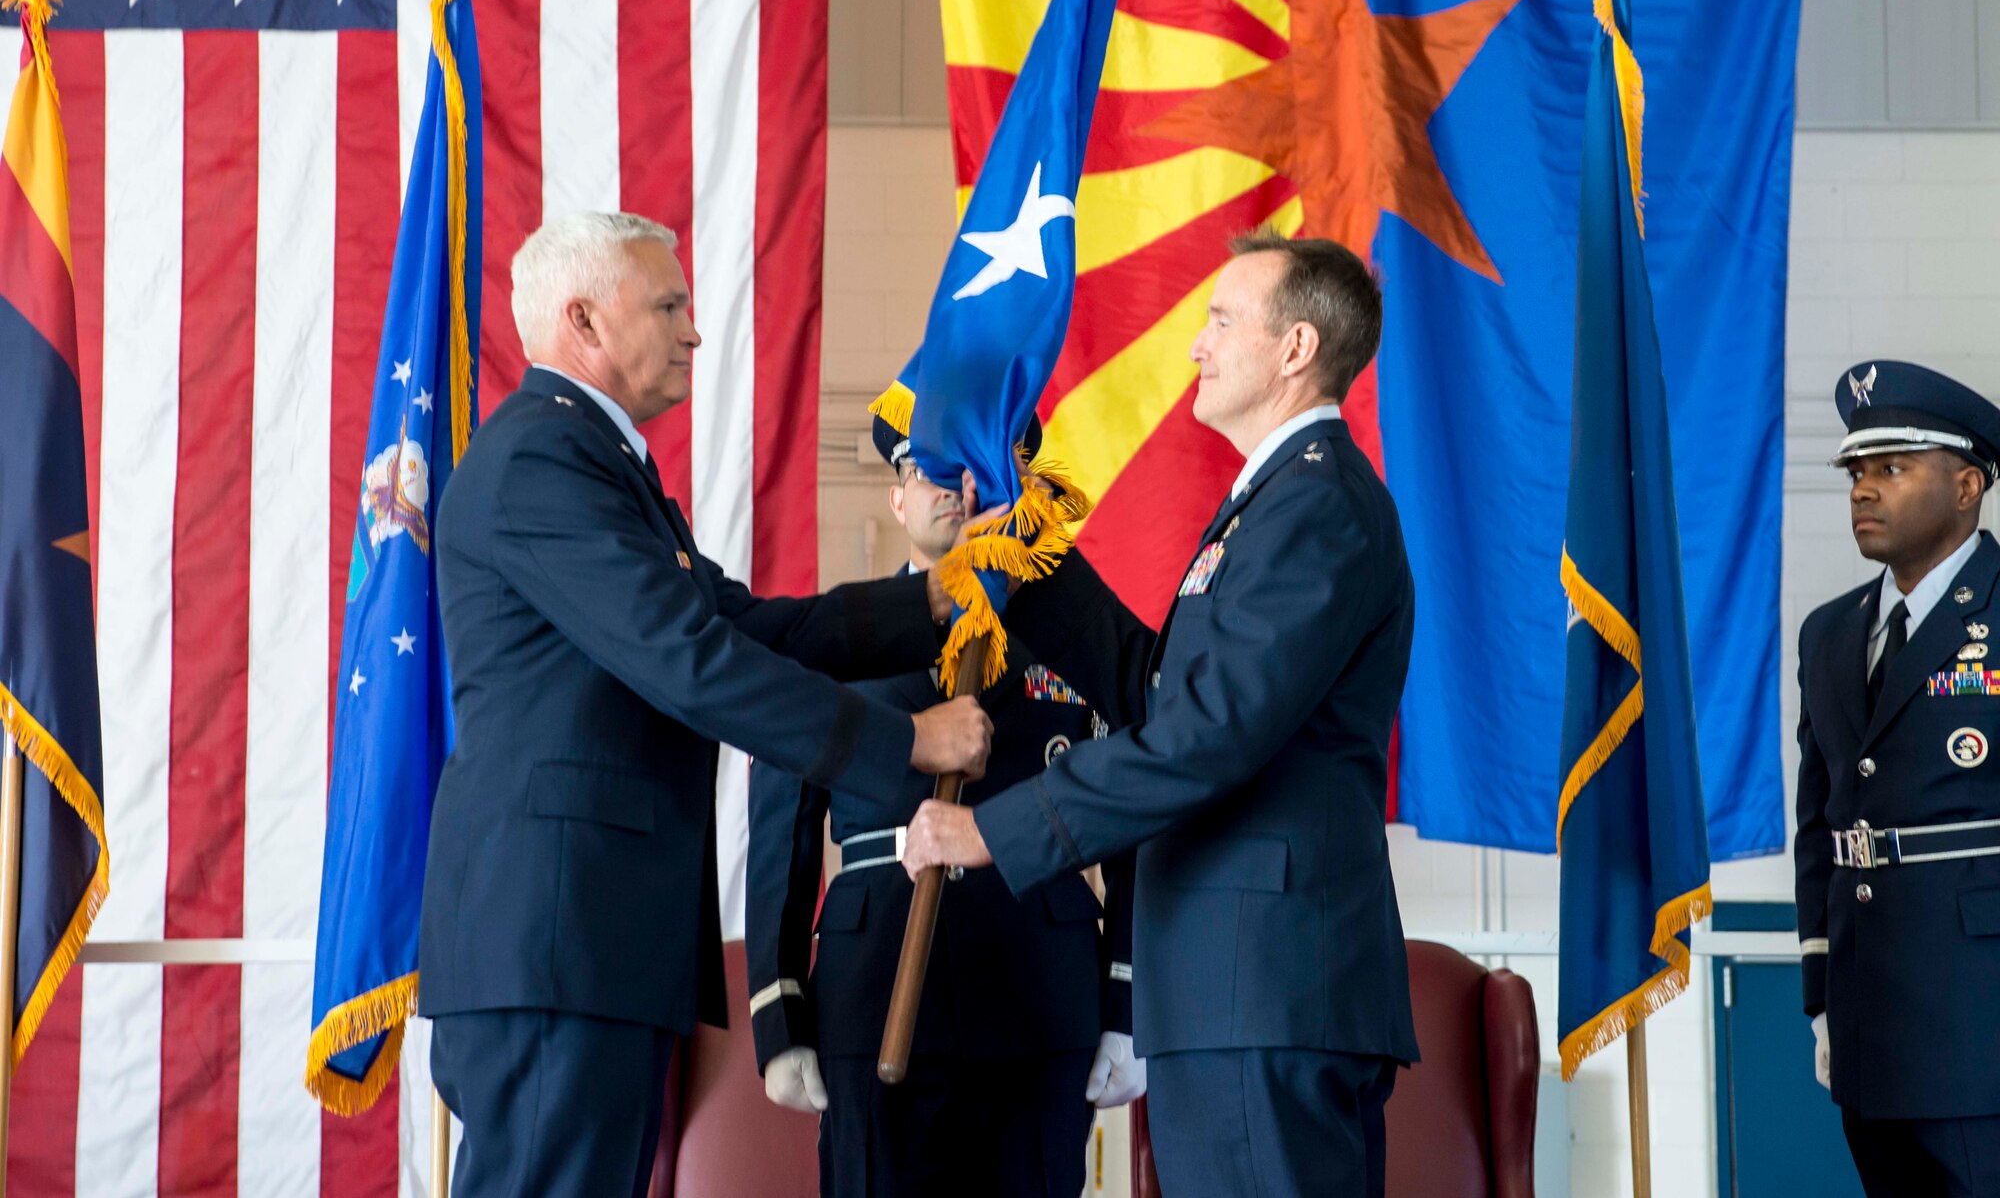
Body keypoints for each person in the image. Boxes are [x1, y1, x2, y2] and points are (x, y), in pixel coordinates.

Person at [417, 211, 992, 1198]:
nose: (693, 330)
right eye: (669, 305)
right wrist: (902, 742)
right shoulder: (540, 464)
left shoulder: (598, 465)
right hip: (557, 939)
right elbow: (688, 662)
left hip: (591, 942)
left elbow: (744, 627)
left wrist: (928, 601)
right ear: (584, 321)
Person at [901, 230, 1419, 1197]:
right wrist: (1029, 551)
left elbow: (1206, 733)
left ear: (1296, 347)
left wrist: (994, 831)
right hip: (1233, 985)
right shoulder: (1273, 504)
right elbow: (1164, 693)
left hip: (1266, 985)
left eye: (1222, 319)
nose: (1196, 344)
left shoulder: (1316, 506)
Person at [744, 405, 1140, 1197]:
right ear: (896, 498)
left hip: (1041, 989)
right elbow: (780, 837)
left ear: (1017, 489)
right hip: (874, 986)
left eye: (984, 469)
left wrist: (1128, 997)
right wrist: (778, 1007)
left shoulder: (1083, 637)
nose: (957, 489)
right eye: (929, 470)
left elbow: (1135, 817)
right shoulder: (834, 636)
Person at [1795, 358, 2000, 1198]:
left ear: (1967, 486)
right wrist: (1820, 994)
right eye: (1856, 470)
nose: (1863, 490)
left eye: (1892, 467)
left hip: (1979, 1024)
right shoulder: (1831, 633)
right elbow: (1822, 818)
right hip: (1869, 1022)